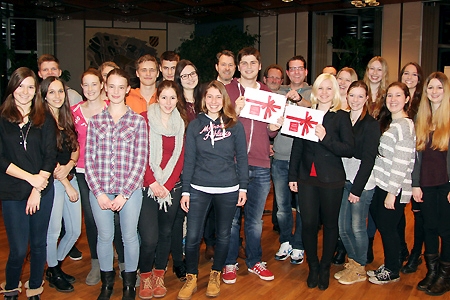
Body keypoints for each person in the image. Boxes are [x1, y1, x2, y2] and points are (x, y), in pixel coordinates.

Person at [178, 80, 248, 300]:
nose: (214, 101)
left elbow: (242, 159)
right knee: (192, 237)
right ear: (203, 99)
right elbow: (189, 160)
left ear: (224, 99)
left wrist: (243, 187)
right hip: (199, 187)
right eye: (210, 96)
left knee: (224, 234)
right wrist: (186, 191)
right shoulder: (195, 125)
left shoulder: (234, 125)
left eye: (219, 97)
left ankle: (215, 274)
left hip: (228, 187)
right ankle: (191, 277)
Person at [85, 68, 148, 300]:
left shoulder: (138, 121)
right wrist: (99, 192)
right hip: (99, 189)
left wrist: (124, 194)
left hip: (128, 192)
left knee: (129, 236)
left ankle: (130, 286)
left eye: (121, 87)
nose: (115, 91)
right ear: (105, 87)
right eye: (111, 86)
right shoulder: (95, 121)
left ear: (128, 89)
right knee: (104, 236)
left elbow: (140, 162)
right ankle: (107, 284)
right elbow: (88, 160)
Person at [288, 73, 354, 291]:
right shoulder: (306, 113)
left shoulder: (341, 117)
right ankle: (313, 265)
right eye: (320, 88)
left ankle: (326, 266)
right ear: (314, 91)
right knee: (307, 224)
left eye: (329, 89)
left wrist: (325, 138)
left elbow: (348, 149)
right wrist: (292, 176)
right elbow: (297, 147)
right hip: (307, 178)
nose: (324, 93)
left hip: (331, 179)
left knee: (330, 224)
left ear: (334, 92)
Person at [223, 47, 281, 284]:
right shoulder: (226, 91)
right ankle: (228, 263)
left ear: (259, 66)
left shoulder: (269, 94)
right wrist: (233, 112)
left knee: (255, 220)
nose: (248, 66)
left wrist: (276, 125)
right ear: (238, 66)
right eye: (244, 62)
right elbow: (219, 127)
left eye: (253, 63)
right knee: (232, 219)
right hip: (233, 164)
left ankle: (255, 261)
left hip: (260, 164)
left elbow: (270, 132)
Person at [0, 67, 57, 300]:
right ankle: (11, 286)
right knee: (18, 248)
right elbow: (1, 158)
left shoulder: (45, 119)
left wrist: (37, 187)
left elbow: (50, 155)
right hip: (13, 190)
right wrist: (29, 179)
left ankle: (35, 286)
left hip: (42, 189)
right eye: (20, 86)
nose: (25, 91)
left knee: (38, 243)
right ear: (12, 88)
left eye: (30, 87)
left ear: (36, 91)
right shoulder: (2, 119)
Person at [138, 80, 187, 299]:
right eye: (164, 97)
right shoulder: (143, 119)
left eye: (173, 98)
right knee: (149, 237)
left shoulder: (181, 123)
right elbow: (140, 154)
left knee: (166, 233)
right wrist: (153, 183)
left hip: (171, 188)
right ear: (157, 97)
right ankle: (145, 275)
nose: (168, 102)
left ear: (178, 100)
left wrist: (166, 186)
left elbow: (180, 158)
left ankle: (159, 274)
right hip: (147, 186)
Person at [367, 82, 416, 285]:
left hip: (393, 187)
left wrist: (392, 192)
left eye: (398, 96)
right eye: (390, 96)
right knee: (389, 227)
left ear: (406, 99)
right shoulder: (391, 123)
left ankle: (392, 270)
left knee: (387, 228)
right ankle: (391, 263)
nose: (393, 100)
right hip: (383, 184)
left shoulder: (405, 125)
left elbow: (402, 162)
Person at [333, 80, 380, 285]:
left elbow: (369, 159)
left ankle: (359, 267)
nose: (355, 100)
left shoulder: (371, 124)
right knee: (342, 227)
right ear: (347, 96)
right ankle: (353, 263)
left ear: (367, 99)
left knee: (357, 227)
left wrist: (357, 189)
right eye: (352, 95)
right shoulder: (342, 118)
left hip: (362, 182)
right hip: (344, 179)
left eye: (360, 96)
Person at [41, 77, 81, 293]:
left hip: (69, 175)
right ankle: (54, 270)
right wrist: (66, 182)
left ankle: (53, 265)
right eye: (52, 92)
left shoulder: (66, 118)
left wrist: (72, 163)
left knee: (74, 231)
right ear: (44, 95)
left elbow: (76, 146)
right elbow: (48, 158)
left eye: (60, 92)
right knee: (54, 231)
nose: (57, 96)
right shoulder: (42, 121)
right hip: (55, 183)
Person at [412, 72, 450, 296]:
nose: (434, 92)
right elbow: (416, 157)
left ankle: (445, 275)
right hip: (425, 184)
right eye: (430, 88)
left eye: (439, 88)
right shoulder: (422, 118)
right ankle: (432, 271)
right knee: (429, 228)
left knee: (446, 231)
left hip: (445, 185)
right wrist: (415, 184)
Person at [273, 55, 311, 266]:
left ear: (305, 71)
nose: (296, 72)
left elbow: (313, 106)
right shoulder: (278, 93)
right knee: (282, 207)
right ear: (287, 73)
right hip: (279, 158)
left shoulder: (315, 91)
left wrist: (298, 99)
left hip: (304, 160)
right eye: (292, 69)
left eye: (300, 68)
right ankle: (285, 241)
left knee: (304, 206)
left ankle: (299, 245)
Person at [72, 68, 109, 286]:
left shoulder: (111, 108)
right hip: (83, 172)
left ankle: (119, 261)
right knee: (92, 219)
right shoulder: (74, 111)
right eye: (86, 85)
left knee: (113, 219)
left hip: (109, 173)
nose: (90, 89)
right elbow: (67, 140)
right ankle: (96, 263)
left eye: (94, 84)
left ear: (102, 85)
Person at [399, 62, 425, 274]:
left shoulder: (424, 102)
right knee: (398, 210)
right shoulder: (397, 99)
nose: (409, 77)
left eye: (414, 74)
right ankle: (403, 249)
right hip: (401, 163)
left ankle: (417, 253)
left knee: (419, 212)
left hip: (419, 162)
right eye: (406, 73)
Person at [332, 67, 358, 265]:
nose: (342, 82)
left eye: (347, 80)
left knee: (345, 216)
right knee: (333, 213)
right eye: (339, 78)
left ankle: (343, 249)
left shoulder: (354, 108)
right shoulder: (329, 104)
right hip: (329, 167)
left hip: (348, 169)